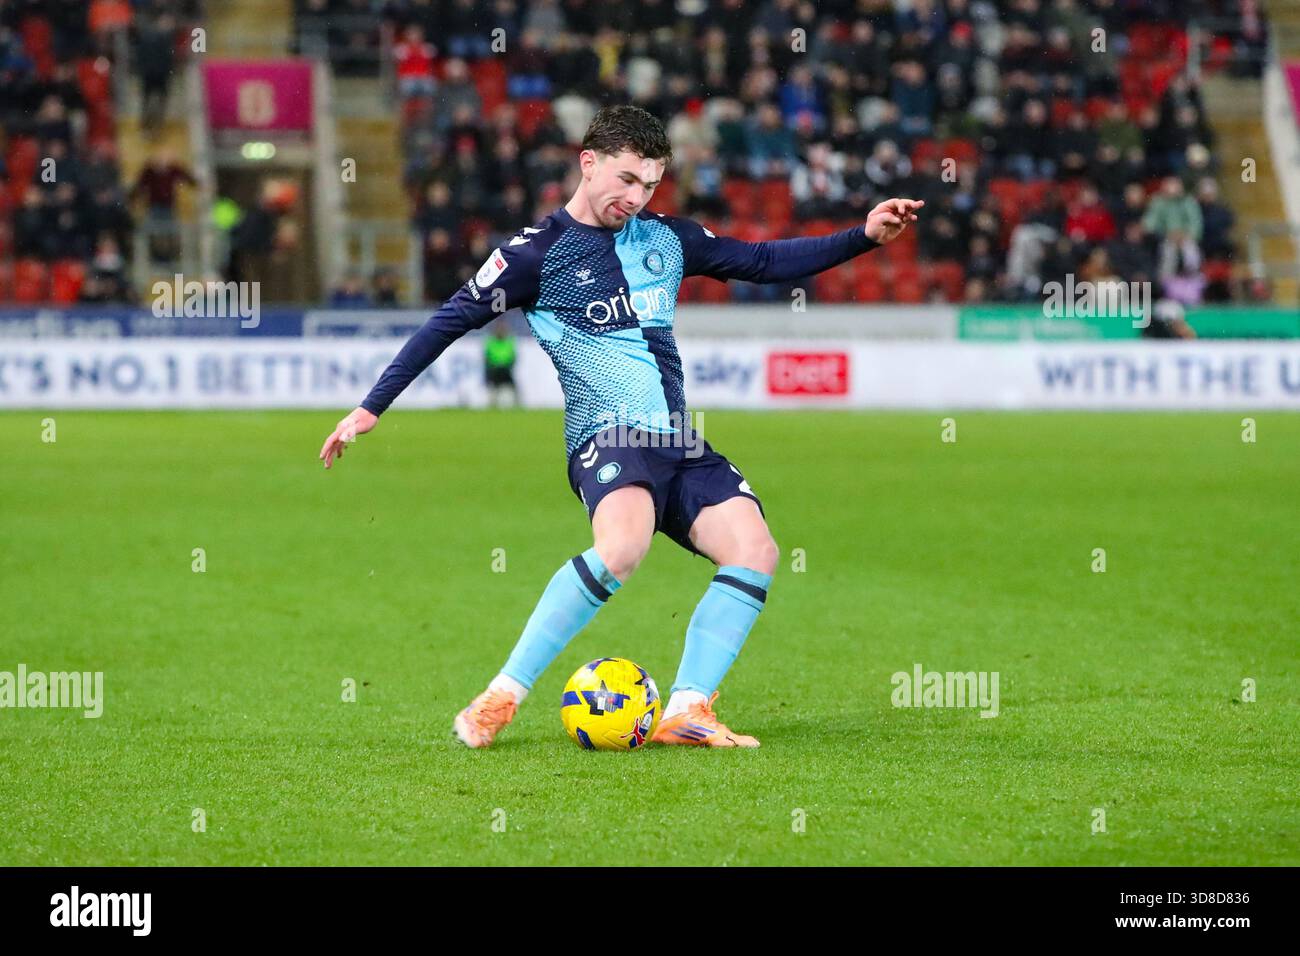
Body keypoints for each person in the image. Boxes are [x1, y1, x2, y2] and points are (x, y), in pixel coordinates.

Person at [318, 105, 923, 749]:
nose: (636, 198)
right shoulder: (534, 255)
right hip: (606, 435)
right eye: (627, 180)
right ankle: (503, 694)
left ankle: (688, 710)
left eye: (650, 185)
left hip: (678, 441)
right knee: (623, 547)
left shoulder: (668, 238)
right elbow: (448, 321)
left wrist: (862, 235)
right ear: (589, 162)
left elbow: (766, 260)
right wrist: (371, 406)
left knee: (756, 550)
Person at [483, 318, 518, 408]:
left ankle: (515, 404)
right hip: (494, 369)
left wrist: (507, 364)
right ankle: (492, 404)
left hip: (505, 368)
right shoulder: (490, 341)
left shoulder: (509, 341)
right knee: (493, 387)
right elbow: (486, 357)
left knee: (512, 387)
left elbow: (513, 356)